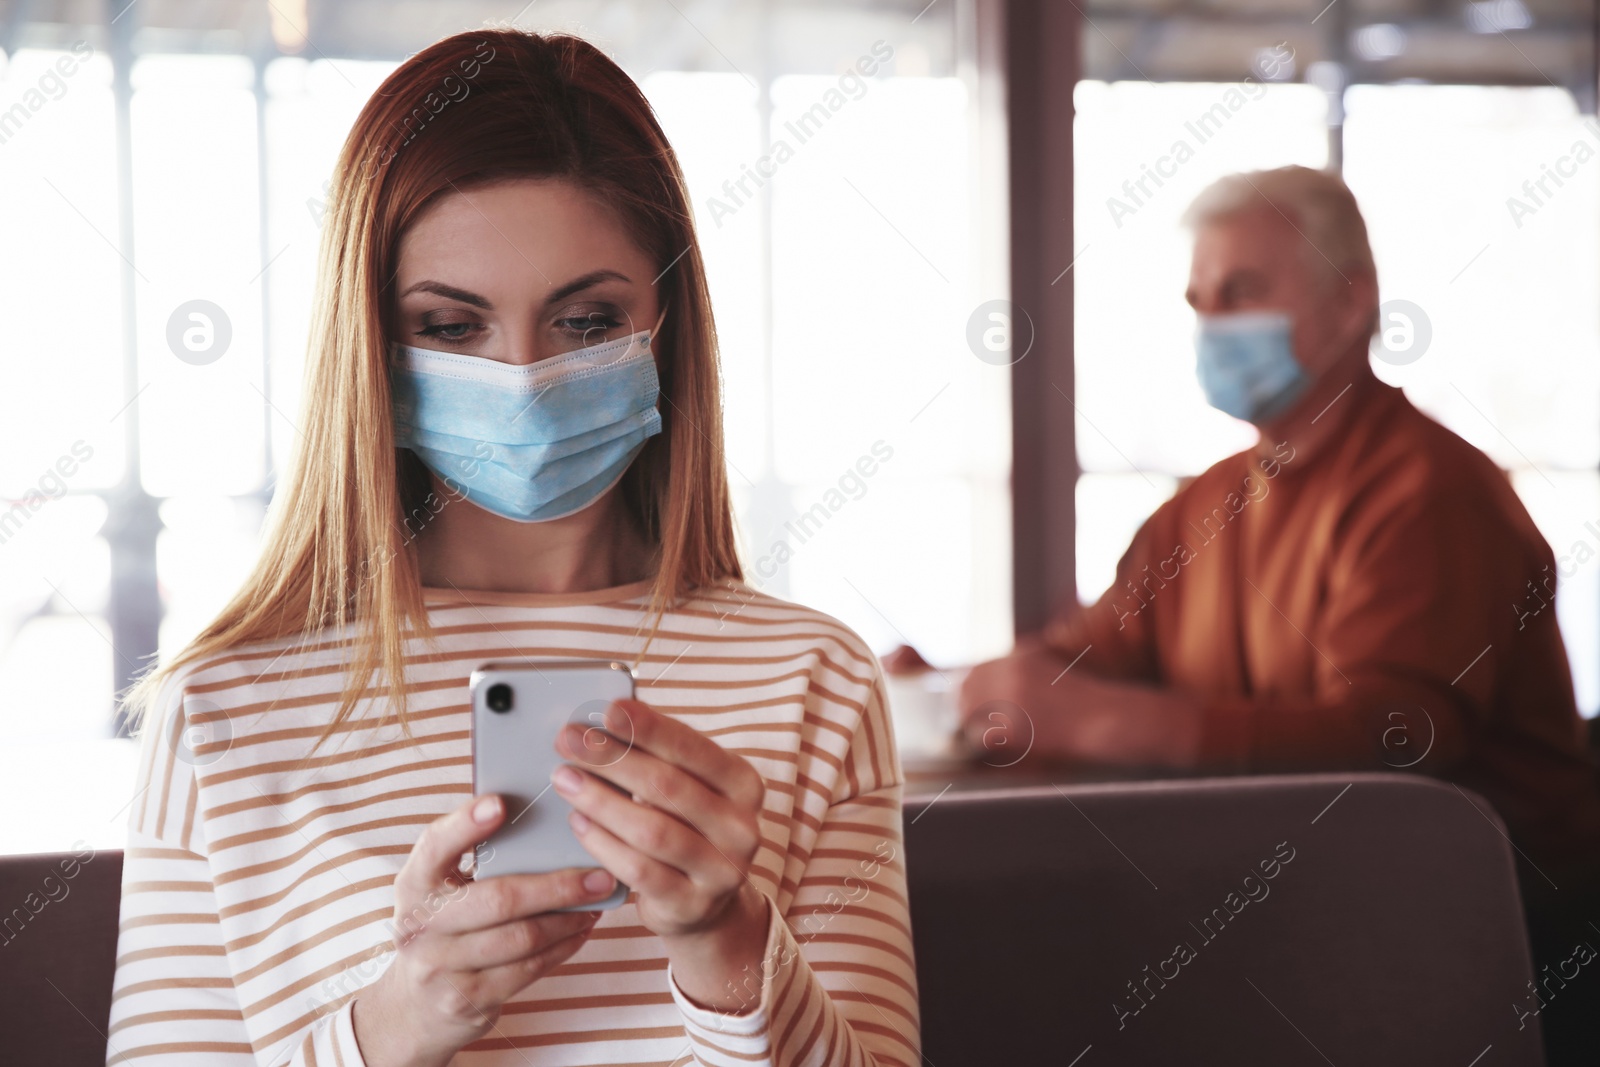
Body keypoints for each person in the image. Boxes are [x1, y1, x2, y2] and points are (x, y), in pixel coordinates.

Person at [106, 29, 918, 1067]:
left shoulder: (815, 680)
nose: (526, 374)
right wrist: (395, 1025)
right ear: (372, 351)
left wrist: (727, 944)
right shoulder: (224, 706)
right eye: (451, 326)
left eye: (586, 319)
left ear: (664, 326)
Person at [889, 164, 1600, 1057]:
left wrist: (1108, 723)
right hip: (1286, 915)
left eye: (1243, 292)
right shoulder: (1203, 506)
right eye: (1200, 300)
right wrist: (959, 692)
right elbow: (1080, 663)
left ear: (1351, 302)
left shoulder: (1430, 491)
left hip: (1493, 944)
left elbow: (1396, 746)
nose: (1214, 323)